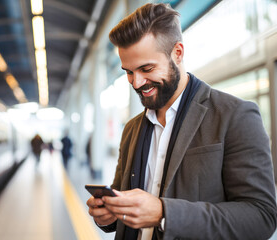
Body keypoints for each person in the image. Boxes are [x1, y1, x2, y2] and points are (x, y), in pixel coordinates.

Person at [86, 3, 277, 240]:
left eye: (146, 68)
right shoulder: (131, 129)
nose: (136, 83)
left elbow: (261, 216)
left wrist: (163, 213)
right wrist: (110, 214)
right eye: (128, 71)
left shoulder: (235, 115)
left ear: (178, 53)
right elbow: (123, 200)